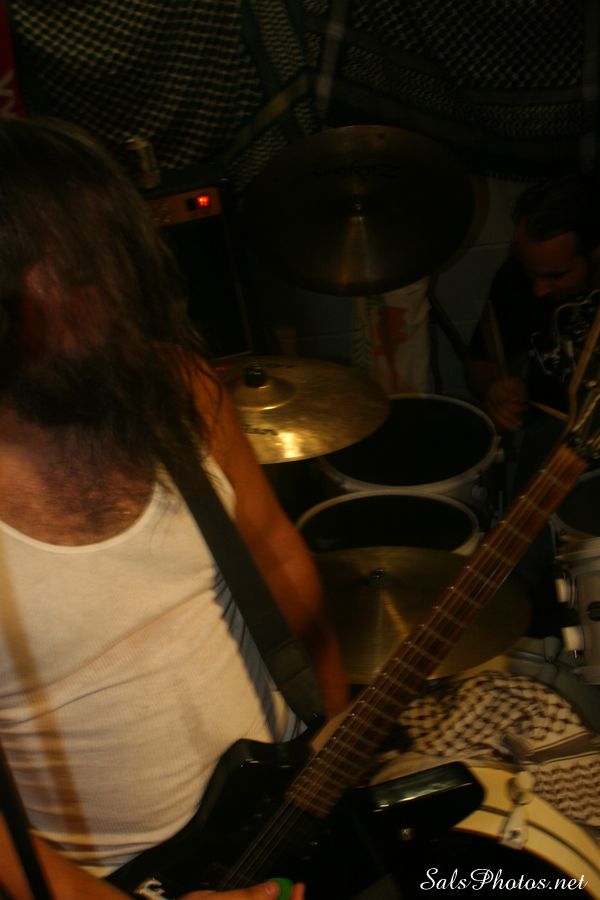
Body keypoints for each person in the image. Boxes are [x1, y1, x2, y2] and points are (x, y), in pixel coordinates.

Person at [0, 115, 351, 899]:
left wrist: (334, 723)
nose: (105, 300)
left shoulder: (177, 388)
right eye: (62, 273)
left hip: (281, 809)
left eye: (106, 263)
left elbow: (274, 550)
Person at [463, 175, 600, 635]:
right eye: (532, 273)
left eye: (556, 277)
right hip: (550, 435)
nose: (539, 289)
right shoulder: (517, 279)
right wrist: (494, 389)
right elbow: (479, 362)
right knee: (517, 572)